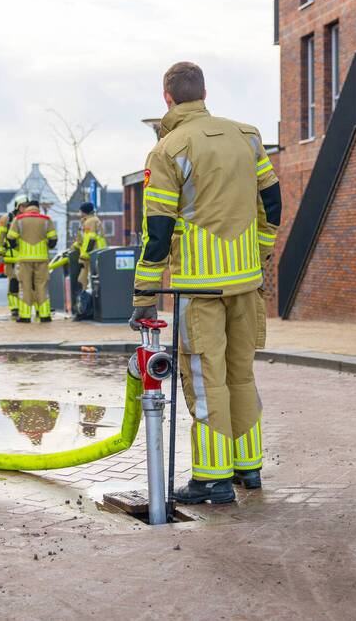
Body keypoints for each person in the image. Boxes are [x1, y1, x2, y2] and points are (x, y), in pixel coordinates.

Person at [129, 61, 282, 505]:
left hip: (200, 288)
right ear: (204, 93)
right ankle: (247, 467)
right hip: (246, 283)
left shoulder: (168, 149)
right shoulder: (247, 136)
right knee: (241, 373)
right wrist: (260, 251)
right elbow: (272, 200)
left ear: (167, 98)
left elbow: (157, 231)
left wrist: (144, 295)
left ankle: (212, 480)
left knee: (204, 376)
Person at [7, 199, 58, 323]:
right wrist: (46, 246)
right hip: (42, 259)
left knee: (25, 287)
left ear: (28, 207)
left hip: (24, 259)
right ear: (38, 208)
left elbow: (11, 238)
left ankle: (25, 316)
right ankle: (45, 315)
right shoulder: (46, 219)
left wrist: (18, 247)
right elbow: (53, 240)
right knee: (42, 287)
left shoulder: (18, 220)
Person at [0, 195, 30, 319]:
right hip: (11, 258)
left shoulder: (29, 219)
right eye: (24, 206)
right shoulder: (6, 219)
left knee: (26, 284)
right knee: (13, 283)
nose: (26, 208)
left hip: (26, 258)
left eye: (27, 206)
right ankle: (14, 308)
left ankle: (24, 307)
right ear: (18, 206)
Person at [73, 202, 108, 293]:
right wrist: (74, 247)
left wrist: (84, 255)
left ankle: (86, 302)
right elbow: (82, 240)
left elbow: (90, 239)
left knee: (84, 280)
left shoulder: (90, 221)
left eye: (80, 211)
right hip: (94, 254)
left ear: (84, 212)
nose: (79, 213)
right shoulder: (90, 220)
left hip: (91, 255)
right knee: (87, 280)